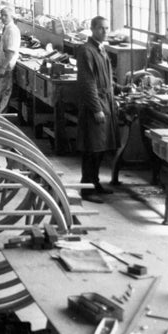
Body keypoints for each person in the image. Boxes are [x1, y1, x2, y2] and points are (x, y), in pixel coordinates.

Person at [75, 15, 120, 202]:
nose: (105, 31)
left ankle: (95, 182)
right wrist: (96, 108)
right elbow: (88, 83)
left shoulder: (101, 49)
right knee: (91, 148)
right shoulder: (87, 51)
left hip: (106, 102)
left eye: (107, 28)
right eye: (101, 28)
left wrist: (118, 89)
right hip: (95, 105)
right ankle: (87, 188)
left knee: (101, 147)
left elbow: (106, 78)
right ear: (92, 29)